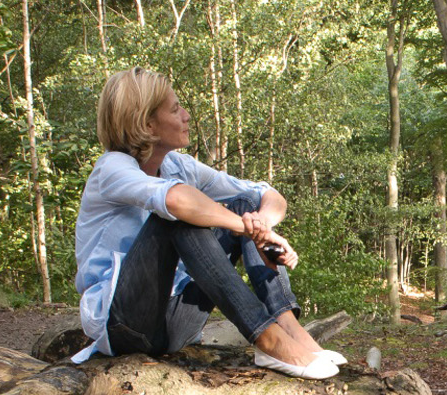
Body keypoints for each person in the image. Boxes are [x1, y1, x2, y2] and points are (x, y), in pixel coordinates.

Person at [71, 67, 342, 379]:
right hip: (125, 325)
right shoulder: (112, 169)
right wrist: (244, 228)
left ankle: (288, 326)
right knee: (176, 216)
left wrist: (261, 226)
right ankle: (266, 337)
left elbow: (266, 194)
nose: (186, 115)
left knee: (246, 204)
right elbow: (177, 202)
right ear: (147, 124)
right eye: (175, 109)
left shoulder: (177, 165)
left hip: (176, 324)